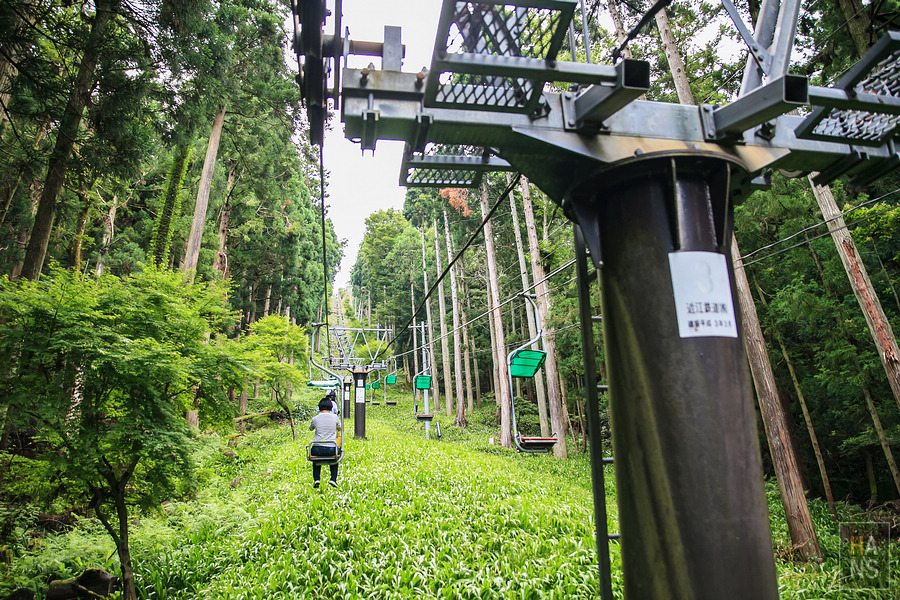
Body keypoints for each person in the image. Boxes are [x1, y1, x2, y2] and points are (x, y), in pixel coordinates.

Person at [309, 396, 341, 488]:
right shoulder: (335, 417)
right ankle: (333, 479)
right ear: (331, 407)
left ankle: (316, 479)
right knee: (335, 457)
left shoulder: (315, 419)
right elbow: (339, 428)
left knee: (316, 461)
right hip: (331, 448)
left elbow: (311, 428)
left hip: (317, 449)